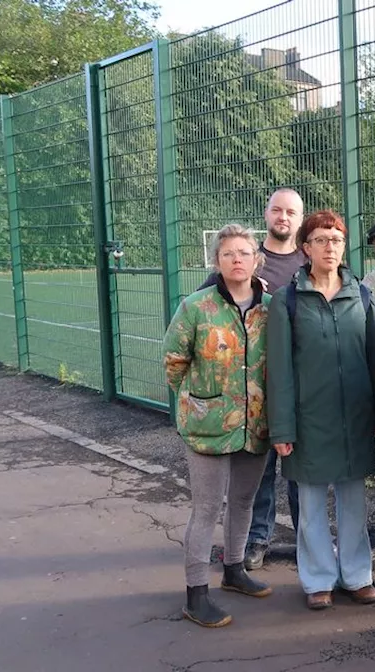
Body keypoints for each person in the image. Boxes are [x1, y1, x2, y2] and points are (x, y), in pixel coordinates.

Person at [266, 209, 375, 611]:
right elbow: (280, 371)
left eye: (336, 240)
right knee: (310, 508)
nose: (330, 247)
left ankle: (357, 576)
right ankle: (318, 579)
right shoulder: (287, 300)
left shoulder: (360, 294)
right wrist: (282, 428)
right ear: (306, 249)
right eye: (321, 240)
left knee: (354, 503)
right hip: (308, 421)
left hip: (356, 418)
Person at [162, 223, 274, 628]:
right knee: (207, 507)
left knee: (243, 501)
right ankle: (196, 594)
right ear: (216, 260)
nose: (237, 260)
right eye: (228, 254)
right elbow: (174, 362)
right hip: (207, 426)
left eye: (244, 252)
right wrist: (198, 402)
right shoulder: (196, 307)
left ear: (257, 258)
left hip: (255, 423)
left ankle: (234, 569)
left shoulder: (271, 306)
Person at [241, 188, 308, 571]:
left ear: (300, 219)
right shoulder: (250, 259)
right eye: (277, 210)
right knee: (259, 471)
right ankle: (257, 539)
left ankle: (307, 542)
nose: (283, 217)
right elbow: (209, 299)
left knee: (300, 471)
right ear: (266, 213)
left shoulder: (309, 261)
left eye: (291, 212)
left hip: (299, 385)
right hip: (255, 387)